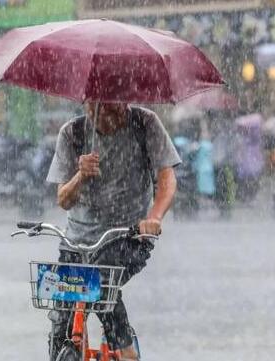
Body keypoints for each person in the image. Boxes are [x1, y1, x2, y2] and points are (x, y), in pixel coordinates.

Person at [46, 102, 181, 360]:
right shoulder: (72, 133)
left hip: (128, 237)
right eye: (96, 104)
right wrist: (80, 175)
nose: (105, 113)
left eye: (112, 106)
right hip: (76, 242)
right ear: (86, 102)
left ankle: (126, 350)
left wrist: (153, 218)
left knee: (101, 281)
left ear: (124, 100)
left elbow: (167, 177)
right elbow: (64, 199)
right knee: (61, 321)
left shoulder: (145, 123)